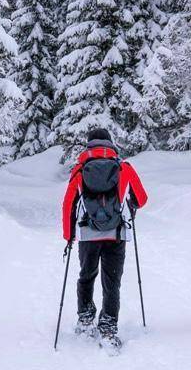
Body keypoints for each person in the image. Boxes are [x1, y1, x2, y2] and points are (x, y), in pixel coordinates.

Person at [61, 128, 148, 350]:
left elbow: (68, 203)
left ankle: (85, 318)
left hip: (88, 234)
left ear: (88, 145)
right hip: (116, 233)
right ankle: (109, 327)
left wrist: (68, 235)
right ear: (110, 144)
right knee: (112, 281)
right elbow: (142, 198)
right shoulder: (123, 168)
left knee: (86, 276)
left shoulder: (80, 170)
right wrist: (129, 204)